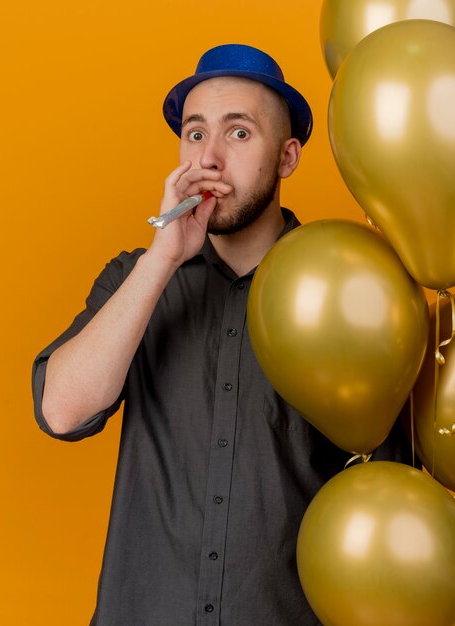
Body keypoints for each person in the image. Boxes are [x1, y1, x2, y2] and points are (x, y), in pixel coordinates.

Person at [32, 44, 413, 626]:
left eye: (239, 135)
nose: (209, 158)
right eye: (194, 134)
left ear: (287, 158)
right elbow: (61, 411)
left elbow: (388, 498)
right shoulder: (133, 279)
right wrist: (163, 258)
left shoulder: (351, 295)